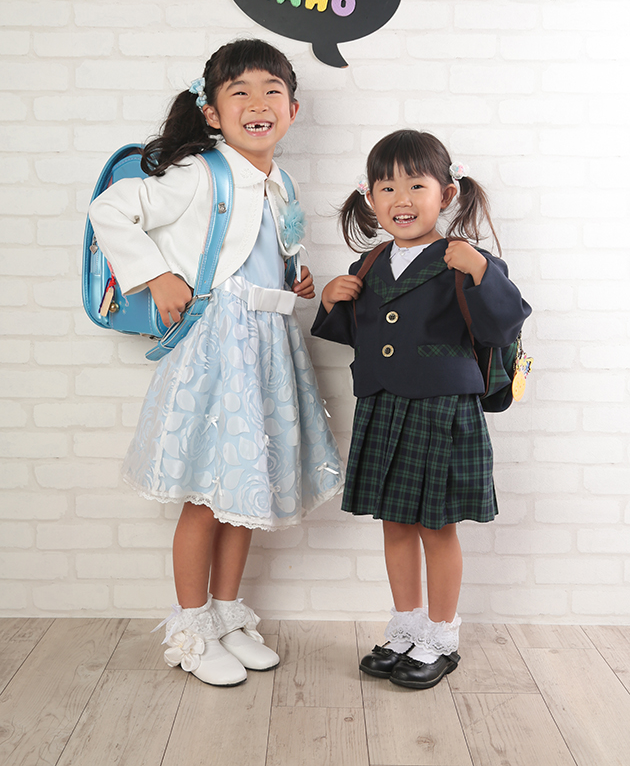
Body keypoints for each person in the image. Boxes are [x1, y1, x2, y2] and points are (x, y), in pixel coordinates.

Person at [89, 39, 343, 687]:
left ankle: (227, 613)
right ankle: (190, 625)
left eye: (271, 91)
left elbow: (264, 249)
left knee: (243, 490)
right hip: (218, 349)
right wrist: (155, 275)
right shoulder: (202, 172)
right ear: (212, 112)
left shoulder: (281, 182)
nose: (258, 104)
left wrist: (295, 278)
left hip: (268, 345)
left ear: (293, 108)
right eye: (240, 92)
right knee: (207, 495)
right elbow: (110, 208)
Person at [311, 129, 531, 690]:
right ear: (370, 198)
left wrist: (481, 271)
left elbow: (505, 321)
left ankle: (441, 635)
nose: (401, 199)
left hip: (443, 411)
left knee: (437, 528)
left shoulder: (463, 258)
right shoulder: (371, 261)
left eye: (416, 185)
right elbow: (364, 333)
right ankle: (405, 627)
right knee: (395, 525)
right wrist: (333, 300)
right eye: (386, 188)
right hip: (383, 405)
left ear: (446, 193)